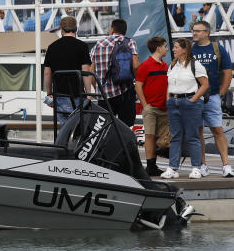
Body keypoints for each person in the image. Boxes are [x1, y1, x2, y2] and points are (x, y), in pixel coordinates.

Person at [191, 20, 234, 177]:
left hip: (213, 96)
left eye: (198, 31)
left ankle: (226, 165)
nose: (194, 33)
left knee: (217, 129)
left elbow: (227, 72)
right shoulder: (189, 49)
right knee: (198, 132)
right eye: (193, 30)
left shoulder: (218, 49)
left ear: (207, 32)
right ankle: (202, 164)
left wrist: (222, 92)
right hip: (195, 97)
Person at [160, 38, 209, 180]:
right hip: (174, 102)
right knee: (175, 136)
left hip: (190, 102)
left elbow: (205, 85)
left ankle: (196, 167)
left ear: (185, 50)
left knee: (192, 136)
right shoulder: (173, 65)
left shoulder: (196, 65)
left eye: (176, 47)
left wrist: (193, 100)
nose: (173, 49)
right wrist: (168, 98)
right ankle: (173, 167)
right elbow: (169, 83)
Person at [89, 18, 140, 128]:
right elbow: (135, 66)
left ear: (112, 29)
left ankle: (107, 145)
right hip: (125, 91)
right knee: (126, 127)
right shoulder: (130, 42)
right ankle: (123, 145)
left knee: (104, 128)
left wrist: (97, 87)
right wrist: (137, 83)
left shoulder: (99, 44)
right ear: (124, 31)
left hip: (105, 95)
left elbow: (91, 70)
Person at [42, 15, 94, 122]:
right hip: (77, 95)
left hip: (60, 95)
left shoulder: (52, 47)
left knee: (65, 131)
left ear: (61, 30)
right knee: (79, 131)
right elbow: (86, 72)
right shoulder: (82, 46)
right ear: (76, 29)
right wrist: (88, 95)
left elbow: (47, 73)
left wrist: (49, 92)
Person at [134, 36, 172, 176]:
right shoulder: (145, 65)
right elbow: (138, 86)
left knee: (162, 139)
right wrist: (145, 105)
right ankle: (150, 166)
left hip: (164, 108)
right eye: (165, 46)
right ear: (158, 48)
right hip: (151, 108)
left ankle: (154, 164)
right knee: (150, 136)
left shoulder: (165, 66)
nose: (167, 49)